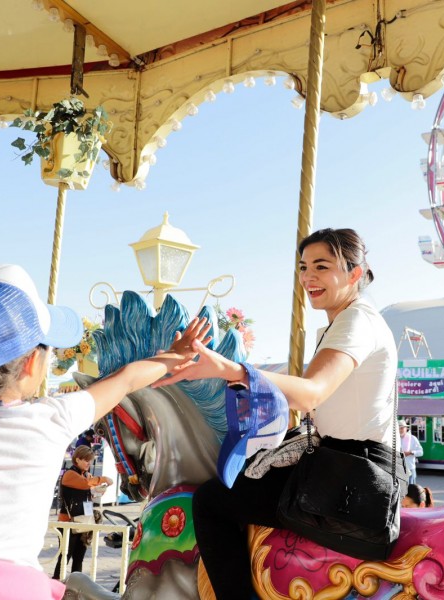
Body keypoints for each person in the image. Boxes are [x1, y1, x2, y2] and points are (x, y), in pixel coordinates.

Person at [0, 264, 210, 599]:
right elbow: (126, 379)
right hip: (9, 590)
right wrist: (174, 356)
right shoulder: (50, 420)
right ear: (32, 363)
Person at [157, 228, 398, 600]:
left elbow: (312, 391)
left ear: (354, 273)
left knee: (211, 501)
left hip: (350, 472)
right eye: (303, 267)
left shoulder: (356, 321)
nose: (308, 277)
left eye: (322, 266)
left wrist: (233, 370)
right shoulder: (346, 321)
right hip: (342, 457)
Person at [52, 445, 112, 579]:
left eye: (90, 460)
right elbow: (85, 483)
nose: (88, 463)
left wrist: (98, 490)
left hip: (85, 519)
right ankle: (56, 584)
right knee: (64, 557)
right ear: (77, 459)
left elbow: (88, 489)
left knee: (79, 558)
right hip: (68, 521)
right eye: (86, 460)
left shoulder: (86, 475)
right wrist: (103, 479)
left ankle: (75, 587)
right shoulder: (70, 474)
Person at [399, 419, 424, 484]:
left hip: (410, 468)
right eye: (399, 428)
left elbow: (421, 452)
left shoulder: (412, 438)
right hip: (398, 469)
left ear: (406, 428)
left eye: (402, 428)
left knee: (411, 490)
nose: (400, 430)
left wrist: (411, 452)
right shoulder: (395, 439)